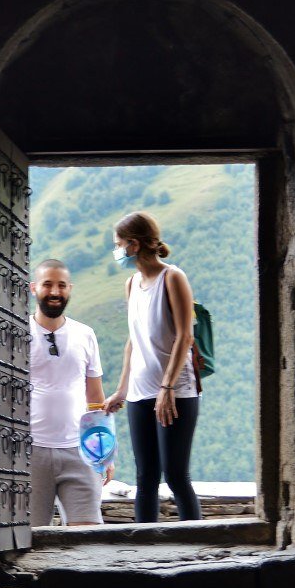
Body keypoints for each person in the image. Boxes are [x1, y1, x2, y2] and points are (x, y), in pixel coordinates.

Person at [104, 212, 202, 524]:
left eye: (118, 244)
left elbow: (185, 336)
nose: (117, 251)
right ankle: (143, 542)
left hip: (175, 392)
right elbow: (133, 341)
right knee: (145, 476)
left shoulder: (172, 278)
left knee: (175, 474)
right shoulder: (131, 284)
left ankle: (195, 542)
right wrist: (122, 390)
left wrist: (167, 387)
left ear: (134, 245)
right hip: (139, 392)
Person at [29, 258, 111, 527]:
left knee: (89, 538)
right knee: (29, 538)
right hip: (30, 453)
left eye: (61, 285)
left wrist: (104, 452)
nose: (55, 291)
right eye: (47, 284)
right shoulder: (17, 334)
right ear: (33, 288)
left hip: (80, 452)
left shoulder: (85, 334)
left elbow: (95, 398)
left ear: (70, 289)